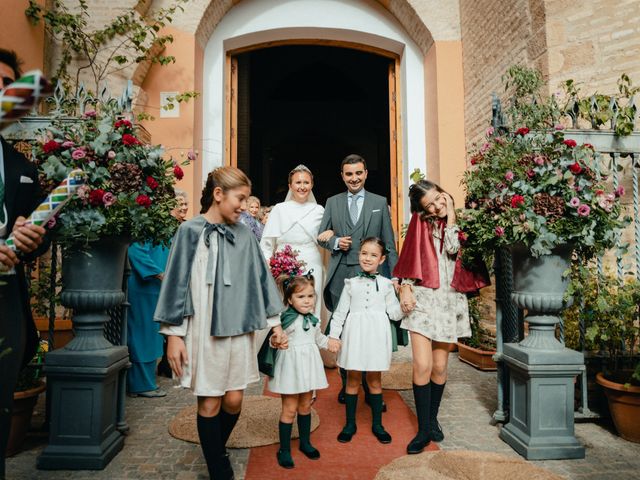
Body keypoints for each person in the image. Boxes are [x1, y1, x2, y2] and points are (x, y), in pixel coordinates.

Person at [155, 166, 286, 480]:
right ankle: (219, 468)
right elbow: (175, 283)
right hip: (202, 328)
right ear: (218, 194)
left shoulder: (245, 234)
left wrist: (276, 324)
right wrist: (174, 335)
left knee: (234, 399)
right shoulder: (189, 232)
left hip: (238, 327)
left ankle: (216, 447)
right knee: (210, 400)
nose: (243, 206)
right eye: (239, 199)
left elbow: (261, 279)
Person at [393, 179, 486, 455]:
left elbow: (453, 249)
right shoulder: (420, 223)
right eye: (429, 205)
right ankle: (423, 430)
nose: (436, 206)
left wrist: (453, 212)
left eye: (437, 199)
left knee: (439, 367)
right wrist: (405, 288)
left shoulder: (458, 221)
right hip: (423, 299)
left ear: (442, 192)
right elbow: (410, 257)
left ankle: (432, 419)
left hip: (449, 300)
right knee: (421, 364)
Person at [317, 154, 399, 406]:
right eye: (349, 174)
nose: (354, 178)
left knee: (371, 331)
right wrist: (334, 242)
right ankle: (346, 383)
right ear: (342, 176)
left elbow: (390, 244)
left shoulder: (379, 201)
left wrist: (395, 277)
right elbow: (320, 235)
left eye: (358, 173)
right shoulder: (333, 202)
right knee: (345, 329)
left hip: (372, 276)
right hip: (342, 272)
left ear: (365, 174)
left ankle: (370, 385)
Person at [0, 48, 48, 478]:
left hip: (6, 305)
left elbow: (39, 229)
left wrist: (32, 237)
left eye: (6, 85)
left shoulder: (19, 166)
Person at [328, 237, 403, 445]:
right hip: (355, 334)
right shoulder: (350, 283)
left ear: (381, 259)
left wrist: (405, 304)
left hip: (377, 335)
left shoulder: (387, 284)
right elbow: (341, 313)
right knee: (352, 379)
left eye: (373, 255)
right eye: (364, 253)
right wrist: (334, 336)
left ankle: (377, 424)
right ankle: (349, 424)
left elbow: (394, 314)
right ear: (358, 255)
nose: (367, 258)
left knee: (374, 381)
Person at [267, 273, 339, 469]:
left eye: (310, 296)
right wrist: (276, 340)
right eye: (301, 297)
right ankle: (284, 449)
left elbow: (319, 339)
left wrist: (332, 343)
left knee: (306, 405)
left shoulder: (314, 318)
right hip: (291, 367)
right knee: (289, 409)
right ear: (289, 300)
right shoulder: (285, 319)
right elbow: (274, 341)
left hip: (309, 367)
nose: (307, 300)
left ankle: (305, 443)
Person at [260, 165, 325, 319]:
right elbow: (267, 243)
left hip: (311, 261)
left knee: (311, 301)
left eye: (306, 183)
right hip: (284, 263)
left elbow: (326, 240)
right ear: (290, 185)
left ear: (312, 185)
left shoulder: (319, 210)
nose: (302, 187)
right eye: (298, 183)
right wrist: (269, 263)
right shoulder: (279, 209)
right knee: (285, 302)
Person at [126, 238, 172, 397]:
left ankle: (145, 382)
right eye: (179, 209)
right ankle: (140, 385)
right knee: (143, 335)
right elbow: (135, 251)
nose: (184, 210)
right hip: (143, 289)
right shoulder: (150, 225)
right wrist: (160, 274)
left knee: (151, 337)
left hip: (155, 289)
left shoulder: (168, 228)